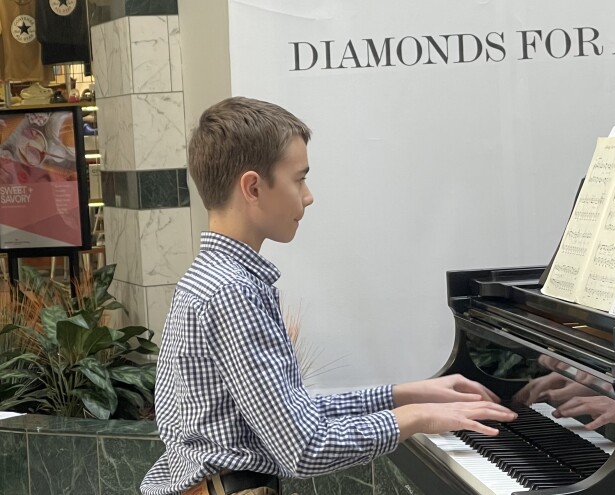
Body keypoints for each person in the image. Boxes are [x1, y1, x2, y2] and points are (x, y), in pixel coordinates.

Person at [140, 97, 516, 495]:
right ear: (252, 187)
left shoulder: (209, 279)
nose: (308, 196)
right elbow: (304, 448)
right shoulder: (233, 293)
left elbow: (293, 415)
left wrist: (403, 394)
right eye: (299, 179)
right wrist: (415, 418)